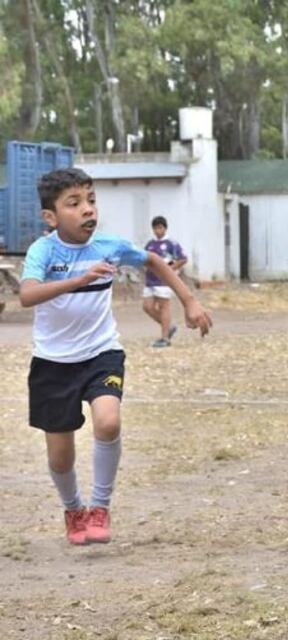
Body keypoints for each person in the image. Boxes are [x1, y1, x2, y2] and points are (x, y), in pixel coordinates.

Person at [19, 168, 212, 545]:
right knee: (60, 457)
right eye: (74, 203)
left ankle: (100, 508)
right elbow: (27, 295)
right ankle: (74, 509)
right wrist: (79, 280)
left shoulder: (109, 245)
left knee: (108, 422)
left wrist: (189, 301)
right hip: (53, 363)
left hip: (101, 353)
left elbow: (153, 261)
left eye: (91, 200)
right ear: (51, 217)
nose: (88, 209)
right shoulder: (43, 251)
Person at [142, 215, 187, 348]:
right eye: (155, 228)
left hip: (164, 281)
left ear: (165, 228)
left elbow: (183, 258)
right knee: (147, 306)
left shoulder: (171, 244)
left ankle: (165, 338)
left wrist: (169, 270)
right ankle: (169, 327)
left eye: (160, 228)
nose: (158, 231)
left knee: (164, 307)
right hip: (150, 280)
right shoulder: (150, 244)